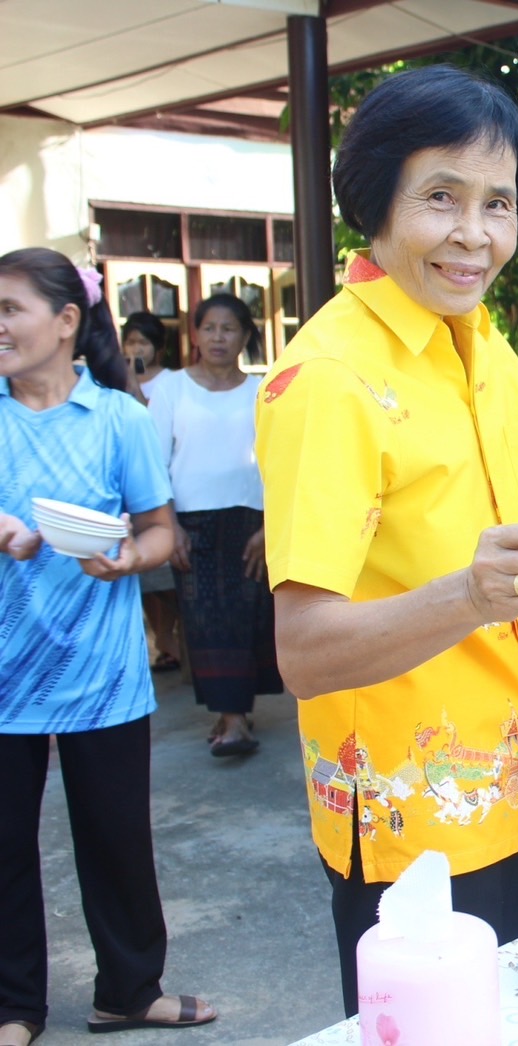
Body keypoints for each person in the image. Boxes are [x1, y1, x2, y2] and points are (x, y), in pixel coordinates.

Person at [253, 64, 518, 1018]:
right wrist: (473, 597)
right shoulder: (330, 379)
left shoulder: (489, 354)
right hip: (403, 817)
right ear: (375, 202)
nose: (475, 234)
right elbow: (303, 653)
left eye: (498, 204)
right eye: (440, 197)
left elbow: (492, 559)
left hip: (503, 786)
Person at [0, 248, 216, 1044]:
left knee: (117, 840)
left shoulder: (120, 417)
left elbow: (162, 531)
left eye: (9, 309)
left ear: (64, 323)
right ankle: (12, 1007)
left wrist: (125, 556)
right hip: (3, 674)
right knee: (4, 851)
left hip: (102, 674)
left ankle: (129, 990)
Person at [147, 293, 281, 756]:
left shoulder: (263, 392)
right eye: (210, 328)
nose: (219, 337)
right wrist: (169, 527)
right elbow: (152, 463)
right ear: (195, 335)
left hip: (250, 523)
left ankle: (235, 716)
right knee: (203, 624)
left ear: (246, 336)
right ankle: (231, 718)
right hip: (191, 524)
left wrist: (271, 526)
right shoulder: (170, 389)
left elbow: (279, 463)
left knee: (246, 620)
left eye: (230, 328)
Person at [121, 311, 182, 673]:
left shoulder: (170, 383)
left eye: (142, 342)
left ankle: (169, 637)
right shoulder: (112, 380)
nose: (136, 348)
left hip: (162, 485)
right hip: (131, 491)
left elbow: (148, 428)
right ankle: (162, 638)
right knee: (144, 581)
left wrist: (133, 385)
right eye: (130, 341)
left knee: (163, 576)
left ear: (158, 347)